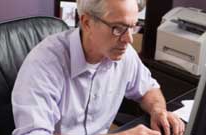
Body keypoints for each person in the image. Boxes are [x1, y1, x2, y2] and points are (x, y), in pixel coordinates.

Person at [11, 0, 185, 134]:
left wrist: (158, 110)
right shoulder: (44, 65)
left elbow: (148, 89)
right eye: (118, 28)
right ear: (87, 23)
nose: (129, 39)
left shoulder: (124, 54)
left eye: (132, 27)